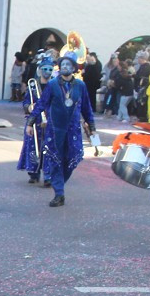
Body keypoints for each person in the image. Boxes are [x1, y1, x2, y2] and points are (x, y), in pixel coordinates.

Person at [26, 54, 95, 206]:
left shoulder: (80, 86)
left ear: (74, 68)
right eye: (63, 65)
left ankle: (60, 184)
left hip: (73, 130)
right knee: (56, 161)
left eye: (68, 65)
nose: (65, 67)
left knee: (71, 160)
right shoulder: (52, 84)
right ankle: (59, 193)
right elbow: (41, 104)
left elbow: (86, 108)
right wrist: (30, 123)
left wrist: (92, 128)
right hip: (55, 129)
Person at [17, 55, 53, 184]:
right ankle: (33, 172)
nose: (47, 72)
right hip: (35, 120)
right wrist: (28, 107)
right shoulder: (33, 85)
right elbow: (26, 102)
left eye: (50, 69)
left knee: (49, 147)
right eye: (45, 69)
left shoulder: (54, 85)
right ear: (40, 69)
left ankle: (48, 175)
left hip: (49, 120)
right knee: (32, 146)